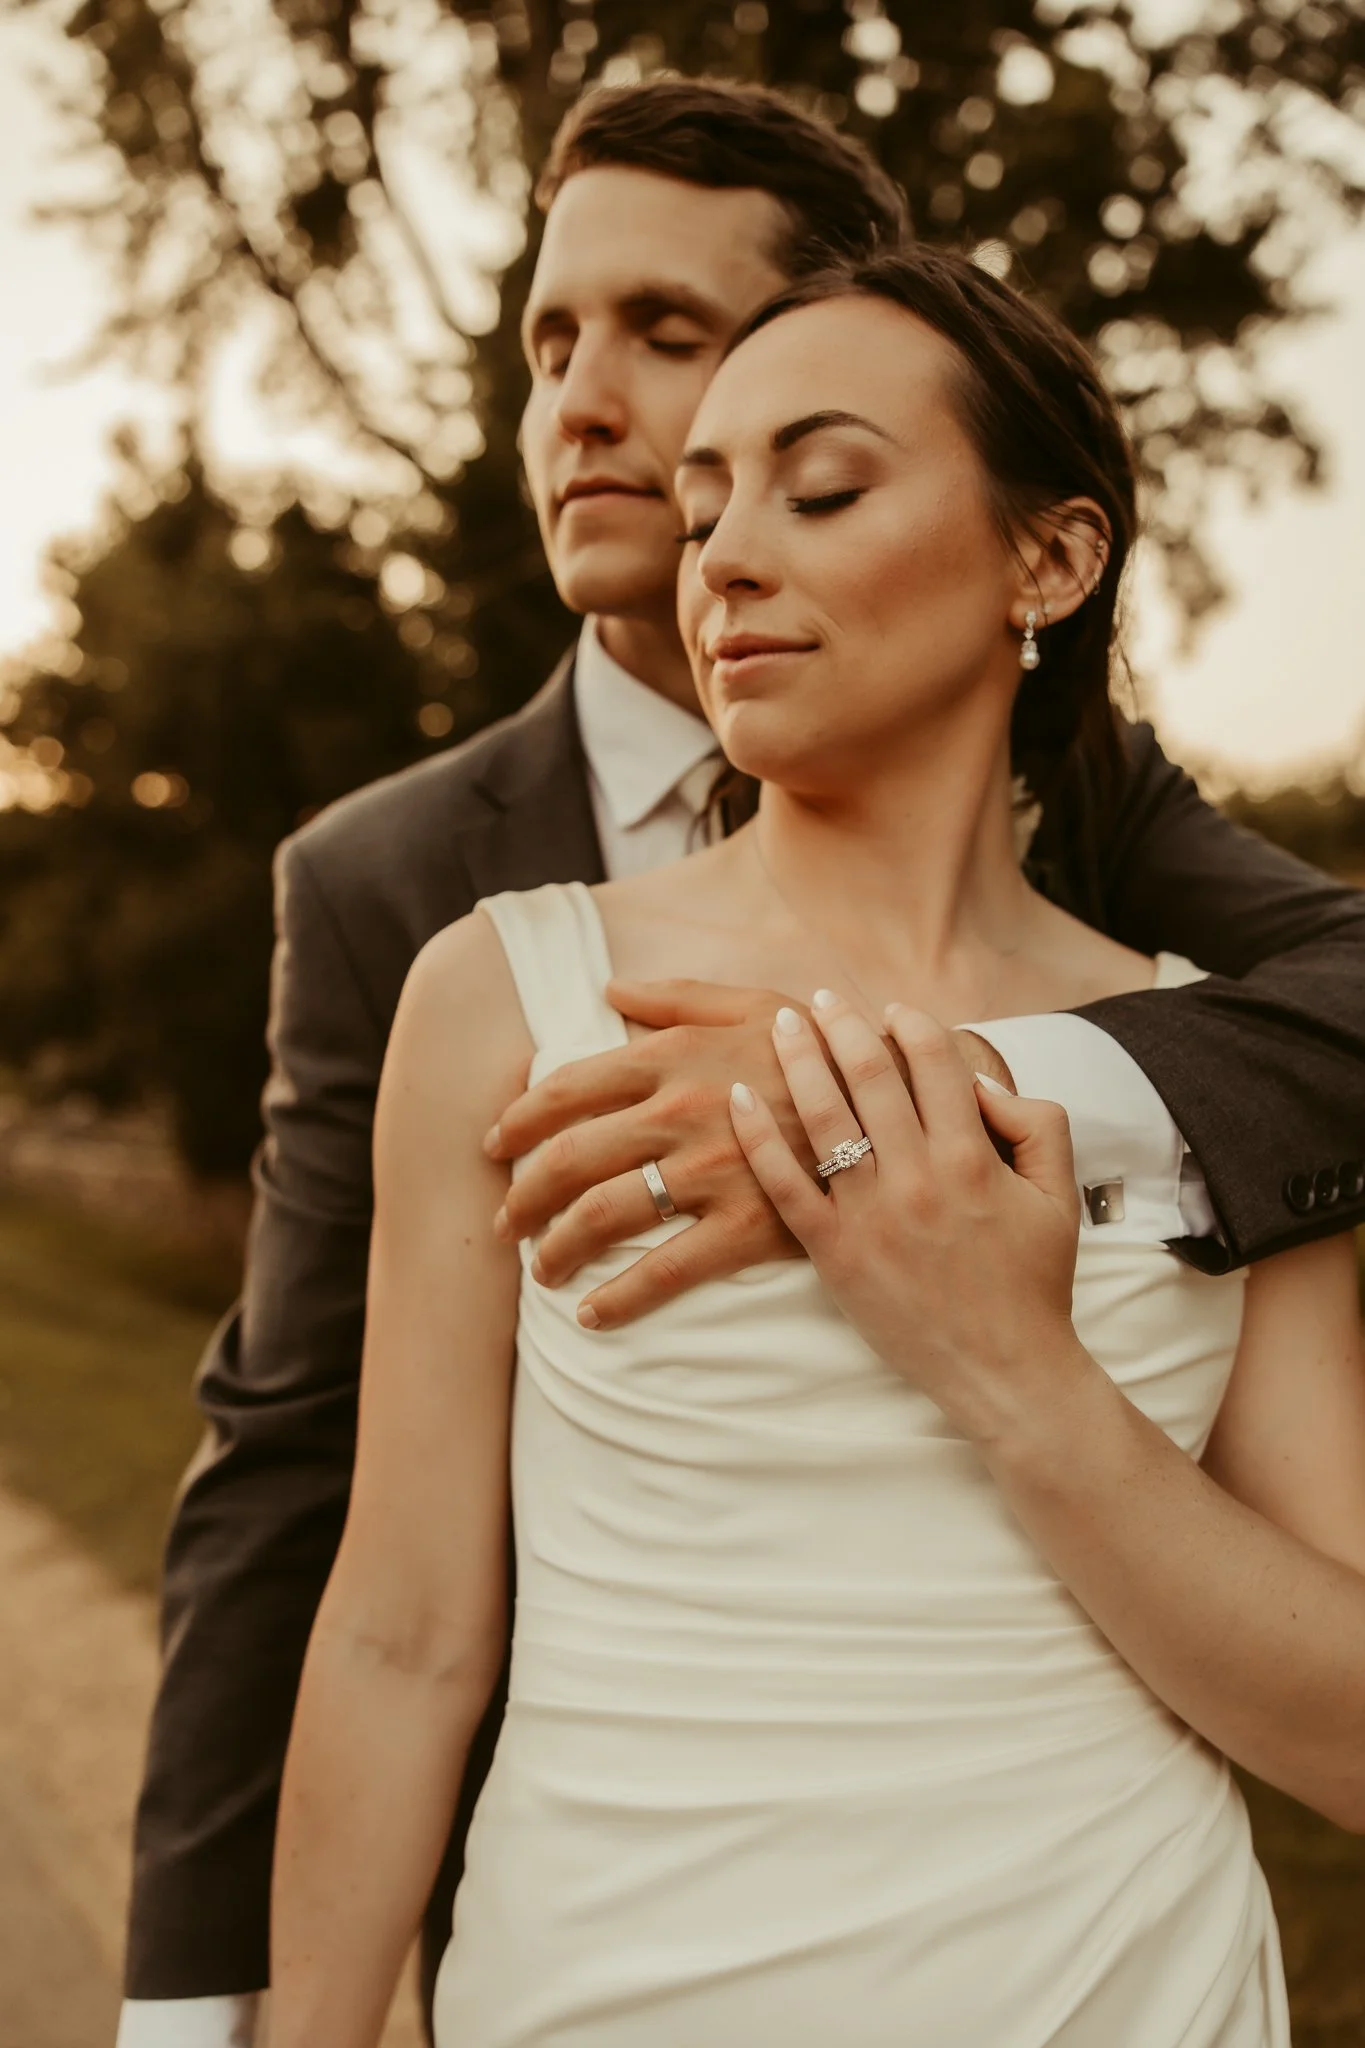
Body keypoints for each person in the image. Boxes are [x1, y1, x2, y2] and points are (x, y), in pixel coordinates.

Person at [119, 80, 1365, 2048]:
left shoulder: (1237, 1071)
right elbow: (381, 1605)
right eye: (705, 501)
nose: (714, 546)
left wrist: (1003, 1335)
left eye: (822, 483)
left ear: (1046, 563)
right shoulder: (482, 979)